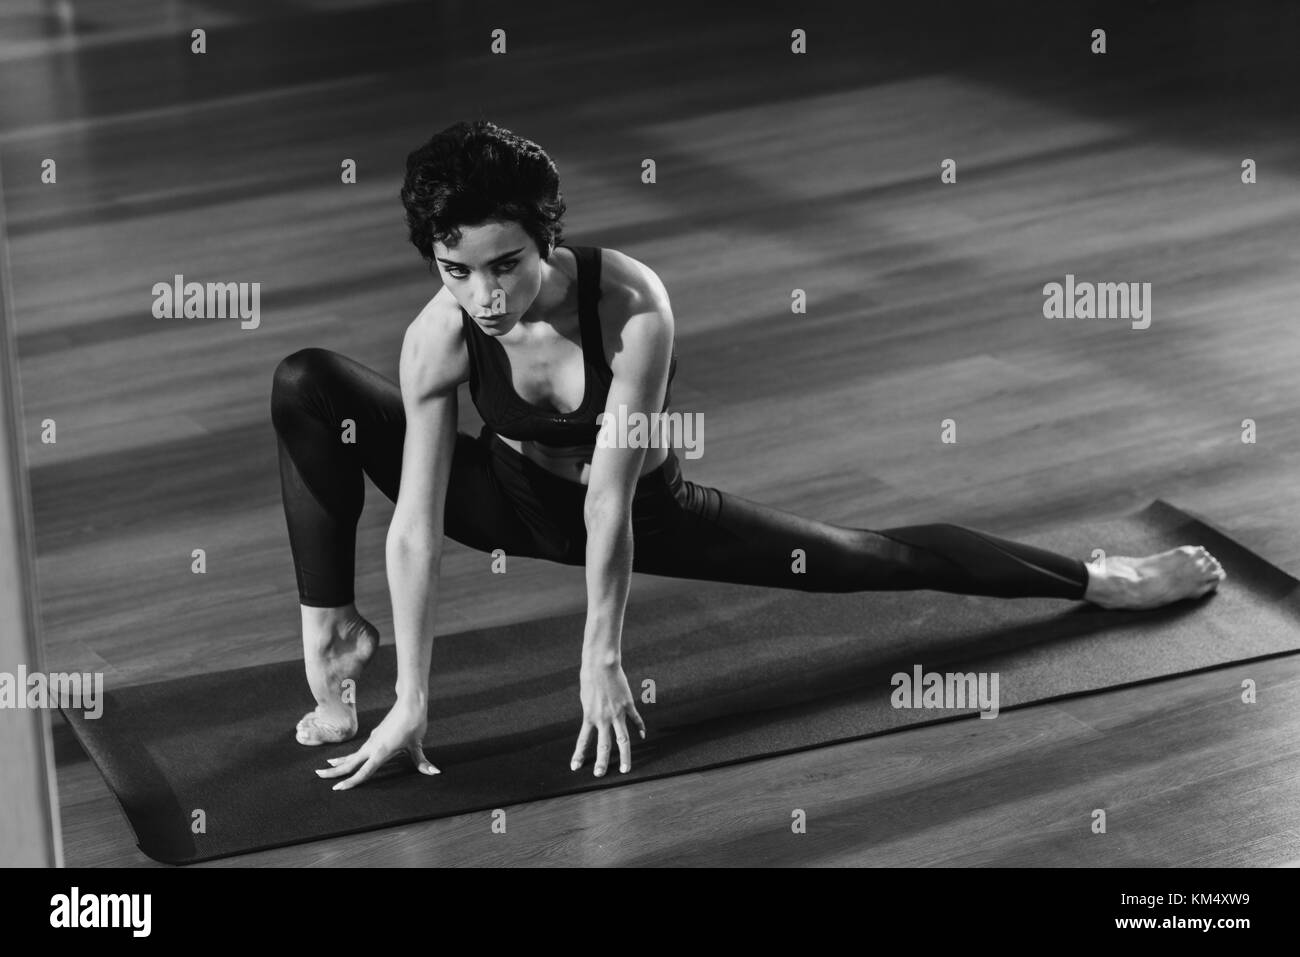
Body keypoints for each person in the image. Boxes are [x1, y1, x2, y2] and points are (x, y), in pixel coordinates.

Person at [270, 120, 1226, 791]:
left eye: (505, 264)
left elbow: (609, 502)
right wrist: (412, 700)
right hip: (505, 496)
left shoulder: (631, 307)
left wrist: (600, 656)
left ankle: (1100, 581)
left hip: (645, 511)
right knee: (307, 380)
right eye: (454, 269)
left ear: (546, 238)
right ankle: (334, 637)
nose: (482, 295)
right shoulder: (438, 333)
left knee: (872, 557)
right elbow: (415, 522)